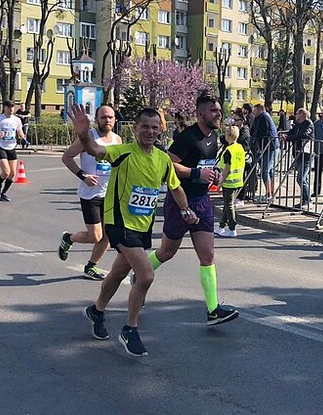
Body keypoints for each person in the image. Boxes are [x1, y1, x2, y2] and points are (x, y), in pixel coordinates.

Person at [69, 104, 195, 357]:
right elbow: (94, 149)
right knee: (146, 275)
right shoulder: (122, 152)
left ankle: (96, 311)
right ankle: (130, 329)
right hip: (118, 222)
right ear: (135, 129)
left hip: (142, 226)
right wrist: (83, 134)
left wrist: (185, 210)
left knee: (117, 273)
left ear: (160, 130)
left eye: (154, 127)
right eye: (145, 127)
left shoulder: (161, 159)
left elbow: (175, 187)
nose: (150, 132)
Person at [143, 91, 239, 326]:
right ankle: (141, 272)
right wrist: (195, 173)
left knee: (207, 255)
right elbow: (170, 164)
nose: (219, 114)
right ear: (200, 113)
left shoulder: (214, 138)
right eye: (214, 111)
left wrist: (213, 174)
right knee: (167, 252)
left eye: (219, 110)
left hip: (202, 200)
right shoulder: (188, 137)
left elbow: (205, 165)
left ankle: (213, 310)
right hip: (180, 200)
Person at [58, 105, 122, 279]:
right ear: (96, 119)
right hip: (90, 194)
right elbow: (66, 157)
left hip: (109, 195)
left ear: (114, 119)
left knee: (107, 235)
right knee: (95, 236)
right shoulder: (88, 138)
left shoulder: (117, 140)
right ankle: (69, 238)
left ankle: (91, 266)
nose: (107, 120)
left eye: (110, 117)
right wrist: (82, 175)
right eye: (103, 117)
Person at [0, 100, 25, 202]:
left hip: (12, 146)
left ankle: (4, 193)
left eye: (12, 107)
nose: (11, 110)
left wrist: (21, 135)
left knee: (12, 173)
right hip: (1, 146)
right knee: (6, 172)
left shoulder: (17, 120)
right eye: (9, 107)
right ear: (4, 108)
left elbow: (20, 131)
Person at [280, 107, 315, 210]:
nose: (295, 116)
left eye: (297, 114)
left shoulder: (308, 124)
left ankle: (308, 201)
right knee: (304, 178)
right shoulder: (297, 124)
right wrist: (285, 135)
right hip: (298, 154)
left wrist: (288, 138)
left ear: (302, 115)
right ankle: (305, 200)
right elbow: (292, 132)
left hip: (306, 154)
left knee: (301, 178)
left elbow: (303, 135)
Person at [216, 125, 245, 237]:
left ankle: (232, 228)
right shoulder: (239, 147)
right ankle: (221, 226)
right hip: (238, 181)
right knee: (227, 204)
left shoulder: (228, 150)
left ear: (228, 136)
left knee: (229, 205)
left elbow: (227, 169)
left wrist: (220, 183)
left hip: (229, 181)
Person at [251, 103, 279, 203]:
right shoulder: (261, 117)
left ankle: (269, 194)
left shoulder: (264, 117)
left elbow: (261, 131)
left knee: (265, 170)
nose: (253, 112)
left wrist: (256, 140)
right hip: (269, 146)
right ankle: (270, 192)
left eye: (255, 110)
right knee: (269, 171)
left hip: (269, 147)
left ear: (260, 109)